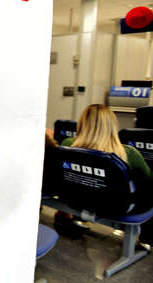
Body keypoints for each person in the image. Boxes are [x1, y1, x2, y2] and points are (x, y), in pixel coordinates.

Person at [61, 104, 153, 243]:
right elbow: (149, 178)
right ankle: (147, 241)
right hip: (116, 208)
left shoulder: (68, 144)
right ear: (112, 126)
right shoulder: (128, 153)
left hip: (77, 200)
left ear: (82, 123)